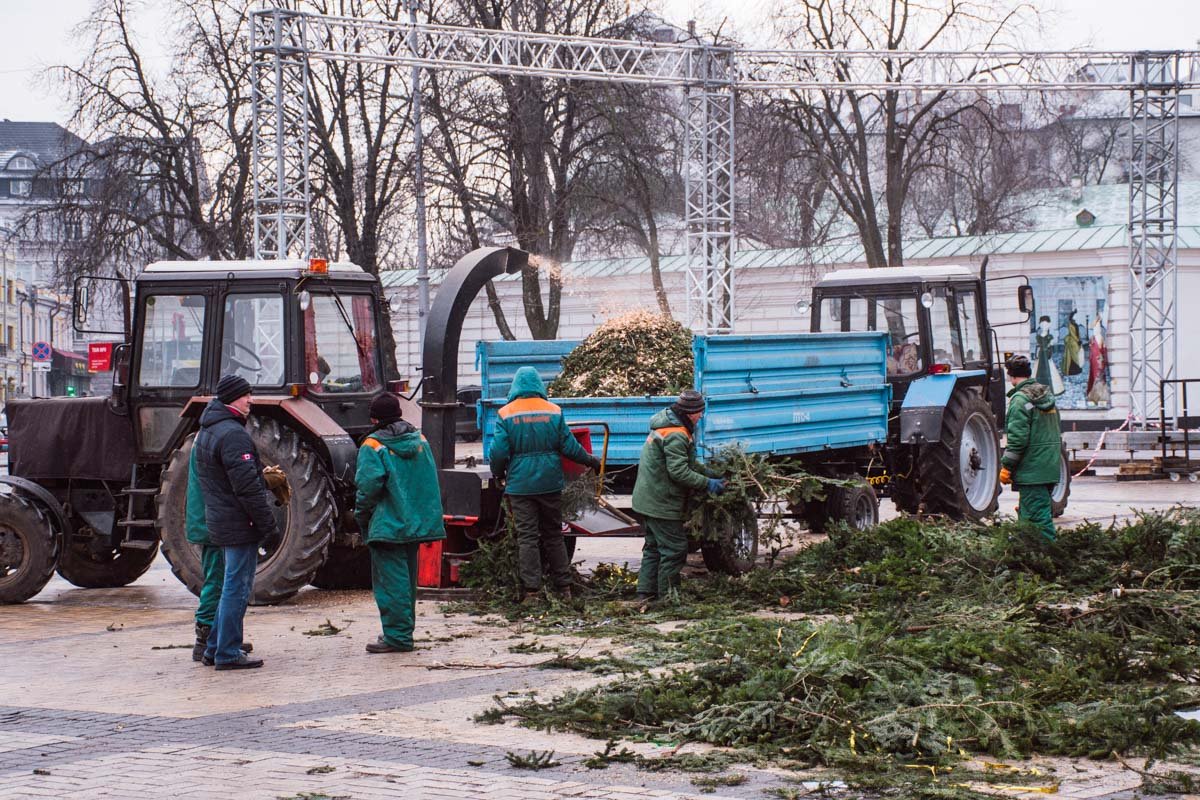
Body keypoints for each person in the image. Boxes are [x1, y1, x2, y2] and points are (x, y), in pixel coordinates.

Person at [489, 366, 601, 603]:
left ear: (515, 387)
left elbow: (498, 452)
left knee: (527, 537)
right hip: (550, 483)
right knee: (553, 534)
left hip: (520, 486)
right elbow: (569, 447)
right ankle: (564, 587)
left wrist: (498, 474)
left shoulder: (506, 413)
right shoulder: (554, 411)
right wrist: (591, 461)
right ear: (539, 386)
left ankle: (532, 592)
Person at [195, 375, 279, 671]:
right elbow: (247, 489)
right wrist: (268, 524)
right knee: (237, 587)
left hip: (222, 520)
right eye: (246, 396)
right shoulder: (232, 435)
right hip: (239, 522)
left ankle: (215, 647)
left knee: (231, 584)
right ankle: (228, 653)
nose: (250, 400)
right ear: (232, 398)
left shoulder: (208, 431)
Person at [354, 392, 446, 653]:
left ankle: (398, 638)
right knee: (406, 584)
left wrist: (362, 518)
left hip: (388, 526)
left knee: (391, 584)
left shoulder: (372, 446)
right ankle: (403, 632)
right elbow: (427, 481)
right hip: (414, 524)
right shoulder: (420, 440)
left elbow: (367, 488)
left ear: (374, 419)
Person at [631, 389, 724, 604]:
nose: (701, 416)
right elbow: (679, 472)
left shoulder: (668, 426)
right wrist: (708, 484)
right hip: (661, 501)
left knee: (654, 548)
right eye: (700, 412)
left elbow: (686, 464)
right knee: (674, 549)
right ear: (691, 413)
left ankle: (645, 594)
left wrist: (711, 474)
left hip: (647, 499)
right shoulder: (676, 433)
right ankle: (668, 597)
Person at [1000, 355, 1063, 542]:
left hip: (1032, 470)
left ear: (1011, 377)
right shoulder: (1046, 396)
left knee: (1038, 521)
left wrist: (1007, 466)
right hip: (1049, 466)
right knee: (1029, 517)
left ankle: (1049, 559)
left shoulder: (1020, 401)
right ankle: (1028, 557)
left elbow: (1017, 440)